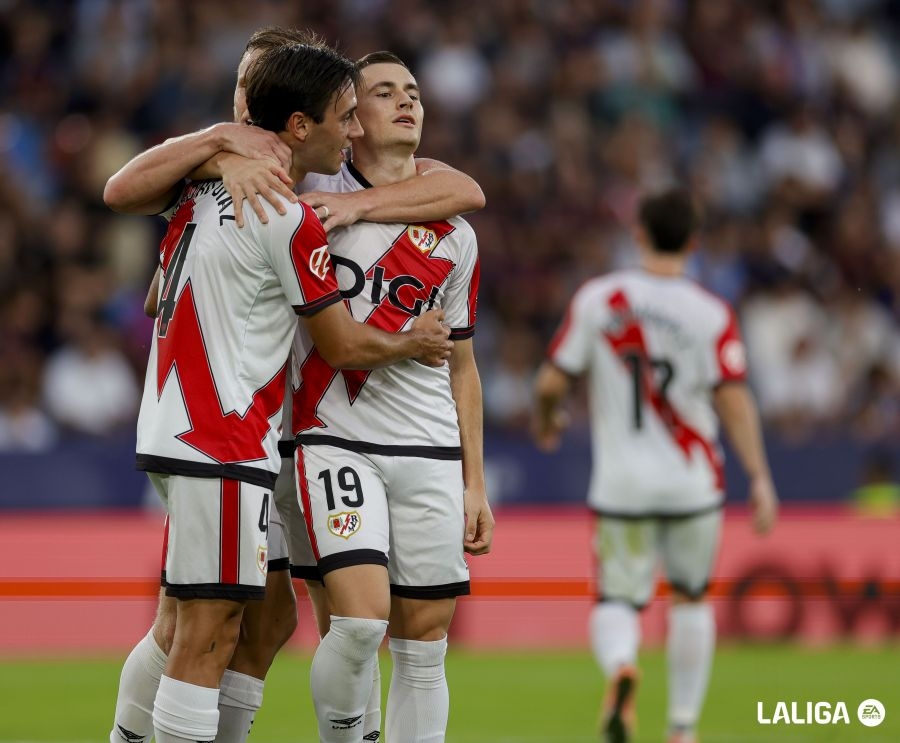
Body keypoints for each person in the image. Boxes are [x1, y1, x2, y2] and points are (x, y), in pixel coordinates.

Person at [104, 27, 485, 743]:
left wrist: (225, 156)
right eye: (356, 106)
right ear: (304, 120)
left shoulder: (231, 188)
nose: (356, 123)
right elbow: (338, 343)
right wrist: (413, 341)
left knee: (264, 618)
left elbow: (464, 189)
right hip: (239, 434)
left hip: (223, 432)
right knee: (199, 625)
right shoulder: (287, 204)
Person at [293, 51, 493, 743]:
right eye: (383, 92)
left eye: (413, 91)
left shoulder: (456, 236)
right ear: (352, 121)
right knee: (356, 623)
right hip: (333, 436)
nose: (406, 101)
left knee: (426, 640)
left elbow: (463, 366)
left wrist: (475, 482)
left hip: (429, 446)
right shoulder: (312, 203)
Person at [532, 187, 778, 743]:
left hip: (624, 487)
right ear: (694, 242)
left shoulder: (600, 298)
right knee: (692, 597)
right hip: (694, 483)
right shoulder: (711, 312)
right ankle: (683, 729)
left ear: (638, 233)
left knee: (617, 599)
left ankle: (622, 664)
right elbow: (734, 398)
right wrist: (760, 476)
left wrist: (547, 418)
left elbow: (551, 380)